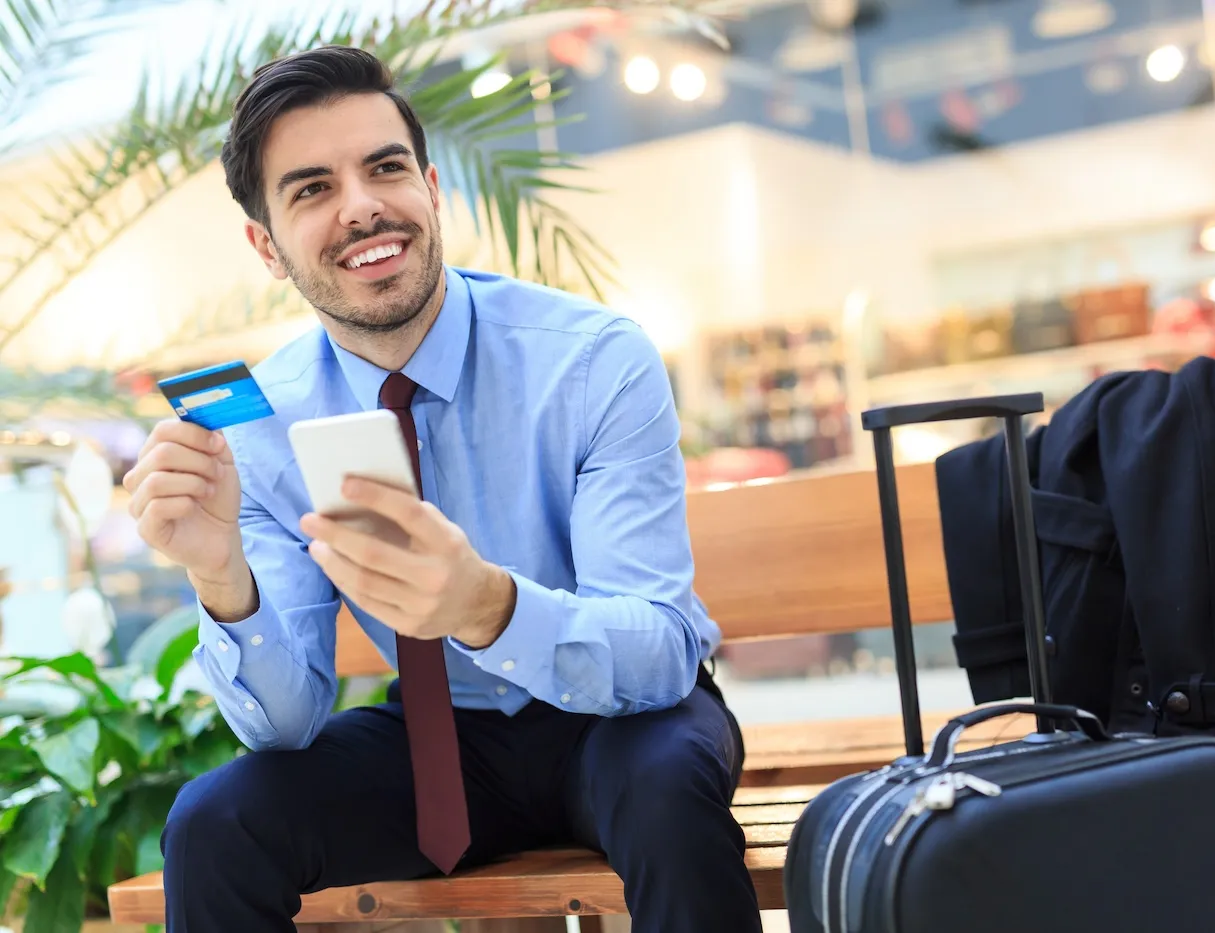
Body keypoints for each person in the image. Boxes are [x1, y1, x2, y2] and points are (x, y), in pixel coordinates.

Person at [121, 44, 761, 933]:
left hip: (617, 719)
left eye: (385, 169)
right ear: (266, 245)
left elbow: (658, 654)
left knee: (665, 793)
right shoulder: (259, 424)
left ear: (431, 187)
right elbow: (286, 725)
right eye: (311, 189)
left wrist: (488, 606)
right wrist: (220, 574)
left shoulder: (591, 360)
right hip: (436, 741)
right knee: (213, 822)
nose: (362, 206)